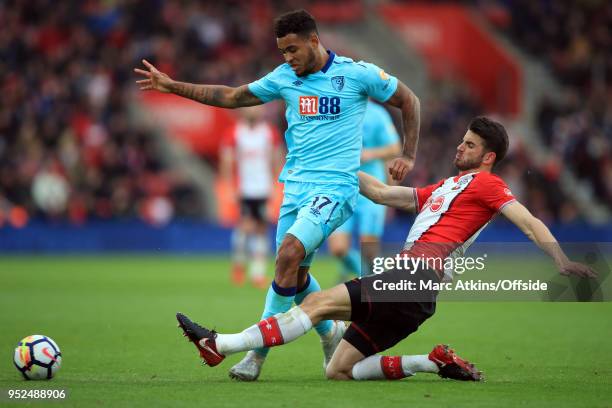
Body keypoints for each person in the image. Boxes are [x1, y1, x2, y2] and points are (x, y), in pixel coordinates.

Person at [175, 116, 596, 381]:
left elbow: (527, 220)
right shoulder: (446, 187)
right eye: (462, 141)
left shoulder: (487, 184)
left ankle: (221, 344)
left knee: (319, 303)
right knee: (338, 370)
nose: (459, 148)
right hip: (418, 296)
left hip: (413, 275)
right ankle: (430, 362)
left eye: (469, 145)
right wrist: (338, 166)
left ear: (488, 157)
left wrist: (560, 258)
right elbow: (381, 193)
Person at [135, 9, 421, 381]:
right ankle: (330, 334)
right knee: (294, 275)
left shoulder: (356, 74)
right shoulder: (285, 78)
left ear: (314, 41)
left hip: (335, 188)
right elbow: (232, 96)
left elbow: (409, 100)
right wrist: (174, 87)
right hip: (294, 188)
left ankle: (255, 357)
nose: (287, 58)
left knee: (288, 254)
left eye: (292, 49)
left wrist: (409, 155)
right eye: (282, 51)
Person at [328, 101, 400, 281]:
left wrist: (369, 154)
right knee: (338, 248)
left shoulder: (377, 114)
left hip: (372, 189)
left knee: (368, 249)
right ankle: (364, 275)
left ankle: (368, 282)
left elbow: (395, 148)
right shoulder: (336, 110)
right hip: (342, 188)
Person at [219, 106, 283, 288]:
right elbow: (227, 160)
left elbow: (276, 158)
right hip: (244, 189)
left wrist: (276, 184)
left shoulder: (269, 132)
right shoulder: (235, 132)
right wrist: (228, 186)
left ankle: (257, 272)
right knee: (245, 226)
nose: (254, 111)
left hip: (263, 189)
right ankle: (239, 265)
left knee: (262, 228)